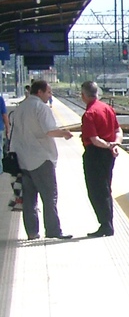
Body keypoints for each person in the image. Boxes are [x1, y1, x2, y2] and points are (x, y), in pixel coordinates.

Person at [9, 79, 73, 240]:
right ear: (40, 92)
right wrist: (64, 133)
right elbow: (49, 131)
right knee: (50, 196)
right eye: (48, 92)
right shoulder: (41, 108)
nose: (50, 95)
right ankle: (53, 230)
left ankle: (32, 232)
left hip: (23, 159)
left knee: (29, 199)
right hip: (41, 158)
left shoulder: (20, 108)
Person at [79, 80, 122, 238]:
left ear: (83, 95)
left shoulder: (89, 114)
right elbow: (118, 130)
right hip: (108, 156)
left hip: (94, 154)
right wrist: (115, 144)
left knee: (96, 190)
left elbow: (95, 139)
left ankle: (105, 225)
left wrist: (109, 145)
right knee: (105, 188)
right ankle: (108, 223)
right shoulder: (108, 108)